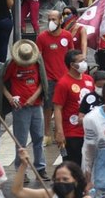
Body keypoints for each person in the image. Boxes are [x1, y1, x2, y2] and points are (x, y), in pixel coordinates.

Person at [0, 39, 50, 182]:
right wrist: (10, 98)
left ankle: (40, 169)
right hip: (20, 109)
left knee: (38, 138)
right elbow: (0, 83)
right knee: (21, 141)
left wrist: (34, 97)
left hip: (36, 106)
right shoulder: (11, 64)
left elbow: (42, 83)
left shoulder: (38, 62)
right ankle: (21, 170)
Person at [36, 10, 74, 146]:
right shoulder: (42, 37)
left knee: (65, 107)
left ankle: (63, 132)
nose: (51, 22)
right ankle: (46, 133)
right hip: (49, 78)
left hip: (65, 78)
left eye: (54, 19)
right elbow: (38, 58)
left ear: (60, 20)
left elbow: (71, 55)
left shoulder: (67, 36)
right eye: (49, 19)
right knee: (48, 107)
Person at [53, 50, 93, 166]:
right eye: (81, 61)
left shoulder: (89, 80)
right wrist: (59, 132)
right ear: (72, 65)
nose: (84, 63)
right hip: (72, 132)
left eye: (85, 60)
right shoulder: (63, 83)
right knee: (73, 167)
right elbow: (57, 108)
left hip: (88, 131)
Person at [12, 148, 90, 198]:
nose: (61, 182)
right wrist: (23, 165)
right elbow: (18, 191)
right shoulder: (49, 194)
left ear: (76, 179)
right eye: (58, 180)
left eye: (65, 179)